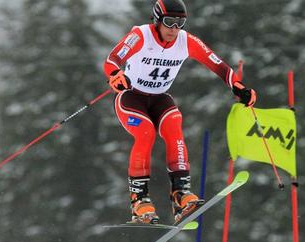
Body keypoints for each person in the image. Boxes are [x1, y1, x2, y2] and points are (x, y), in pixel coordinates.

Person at [104, 0, 256, 224]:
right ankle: (139, 200)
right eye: (169, 22)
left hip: (160, 99)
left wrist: (237, 86)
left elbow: (216, 63)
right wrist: (116, 74)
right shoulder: (141, 35)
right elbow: (112, 59)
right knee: (146, 134)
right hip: (131, 98)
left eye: (180, 23)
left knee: (174, 128)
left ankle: (181, 194)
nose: (174, 29)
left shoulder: (186, 41)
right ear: (157, 20)